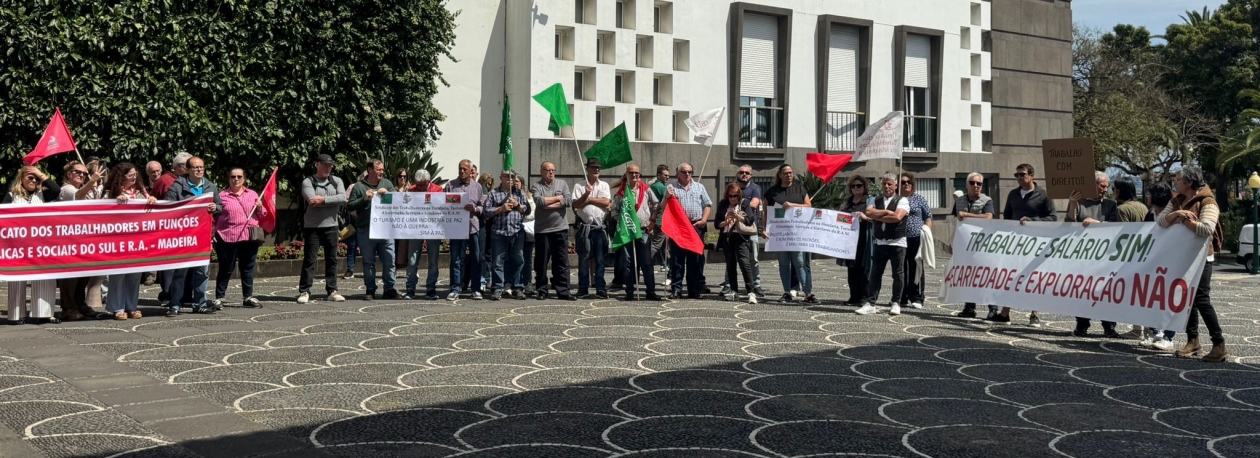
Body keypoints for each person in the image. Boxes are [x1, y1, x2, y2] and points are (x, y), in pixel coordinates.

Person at [1157, 166, 1226, 362]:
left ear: (1189, 182)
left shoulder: (1208, 201)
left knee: (1202, 300)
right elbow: (1161, 221)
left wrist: (1184, 221)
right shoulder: (1177, 200)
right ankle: (1192, 341)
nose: (1175, 182)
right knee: (1187, 301)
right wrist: (1178, 214)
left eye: (1178, 179)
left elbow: (1206, 229)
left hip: (1202, 258)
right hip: (1183, 257)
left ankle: (1219, 344)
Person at [992, 163, 1057, 326]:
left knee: (1033, 277)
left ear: (1032, 176)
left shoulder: (1043, 195)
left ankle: (1034, 314)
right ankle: (1005, 313)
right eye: (1017, 175)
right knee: (1011, 275)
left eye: (1022, 174)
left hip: (1036, 243)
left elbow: (1053, 218)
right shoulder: (1013, 194)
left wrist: (1032, 221)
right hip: (1015, 243)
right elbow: (1007, 216)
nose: (1019, 178)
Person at [3, 166, 63, 324]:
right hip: (18, 246)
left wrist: (40, 174)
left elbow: (57, 190)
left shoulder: (43, 194)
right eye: (30, 177)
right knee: (17, 279)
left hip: (41, 245)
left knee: (45, 278)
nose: (34, 181)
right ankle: (17, 314)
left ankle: (44, 313)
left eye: (36, 178)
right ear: (21, 179)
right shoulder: (11, 196)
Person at [100, 163, 158, 320]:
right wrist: (113, 203)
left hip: (137, 240)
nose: (134, 178)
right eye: (130, 175)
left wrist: (152, 199)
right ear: (121, 177)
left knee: (135, 274)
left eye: (135, 174)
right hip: (118, 240)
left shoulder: (141, 192)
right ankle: (117, 307)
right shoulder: (110, 193)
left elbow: (149, 205)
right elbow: (100, 211)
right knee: (118, 274)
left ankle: (131, 306)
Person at [1066, 171, 1120, 338]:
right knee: (1082, 291)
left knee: (1106, 291)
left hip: (1105, 256)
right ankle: (1082, 324)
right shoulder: (1079, 203)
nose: (1105, 189)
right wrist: (1073, 204)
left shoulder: (1111, 205)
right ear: (1093, 185)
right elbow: (1068, 225)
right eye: (1102, 186)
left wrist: (1097, 224)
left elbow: (1115, 226)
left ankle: (1109, 326)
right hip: (1083, 256)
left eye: (1107, 187)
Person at [166, 156, 222, 316]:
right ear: (188, 169)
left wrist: (215, 207)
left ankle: (200, 304)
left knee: (202, 273)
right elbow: (168, 208)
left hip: (203, 237)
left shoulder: (210, 186)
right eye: (196, 167)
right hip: (183, 237)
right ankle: (174, 305)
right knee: (180, 273)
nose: (199, 170)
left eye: (201, 167)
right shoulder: (176, 188)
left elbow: (221, 207)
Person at [55, 161, 105, 321]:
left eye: (84, 173)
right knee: (69, 276)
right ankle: (68, 308)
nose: (82, 175)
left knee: (83, 274)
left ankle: (79, 303)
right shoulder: (66, 189)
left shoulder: (85, 188)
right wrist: (91, 182)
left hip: (83, 237)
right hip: (68, 238)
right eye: (78, 172)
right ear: (69, 174)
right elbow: (78, 197)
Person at [297, 154, 348, 303]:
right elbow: (312, 201)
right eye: (324, 165)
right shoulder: (308, 181)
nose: (327, 168)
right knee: (310, 259)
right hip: (312, 226)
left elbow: (343, 198)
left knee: (332, 259)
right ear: (316, 165)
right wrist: (331, 200)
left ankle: (332, 290)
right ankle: (304, 291)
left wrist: (323, 199)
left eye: (330, 166)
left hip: (332, 226)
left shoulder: (337, 180)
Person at [856, 174, 911, 315]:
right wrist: (886, 212)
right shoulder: (875, 199)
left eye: (890, 184)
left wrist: (877, 215)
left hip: (897, 242)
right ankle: (871, 303)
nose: (887, 187)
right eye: (884, 184)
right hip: (880, 241)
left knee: (898, 274)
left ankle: (896, 302)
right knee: (875, 273)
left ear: (896, 186)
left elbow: (897, 217)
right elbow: (868, 212)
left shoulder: (902, 200)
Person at [212, 168, 266, 309]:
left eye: (239, 176)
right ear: (228, 179)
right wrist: (213, 235)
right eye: (233, 177)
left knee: (247, 268)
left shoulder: (253, 194)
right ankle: (219, 298)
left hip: (249, 237)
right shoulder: (221, 196)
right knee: (226, 268)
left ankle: (248, 296)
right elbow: (214, 216)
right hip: (227, 236)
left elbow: (263, 215)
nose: (236, 179)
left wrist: (260, 207)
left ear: (244, 178)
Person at [348, 159, 400, 300]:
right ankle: (370, 289)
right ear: (370, 170)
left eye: (382, 170)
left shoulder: (387, 184)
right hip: (366, 229)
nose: (382, 172)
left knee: (389, 260)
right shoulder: (359, 186)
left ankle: (389, 289)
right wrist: (364, 198)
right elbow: (350, 206)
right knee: (368, 261)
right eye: (379, 169)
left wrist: (388, 194)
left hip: (385, 229)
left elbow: (398, 200)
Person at [611, 164, 662, 302]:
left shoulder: (646, 190)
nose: (635, 175)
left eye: (637, 173)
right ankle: (629, 291)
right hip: (627, 232)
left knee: (646, 262)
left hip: (644, 230)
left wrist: (653, 221)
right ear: (626, 174)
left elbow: (657, 205)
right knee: (628, 263)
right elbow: (614, 212)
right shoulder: (621, 193)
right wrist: (622, 222)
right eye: (632, 173)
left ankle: (650, 291)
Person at [763, 164, 814, 304]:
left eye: (791, 172)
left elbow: (809, 206)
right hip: (779, 234)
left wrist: (793, 205)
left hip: (797, 234)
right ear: (780, 175)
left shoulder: (800, 189)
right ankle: (787, 291)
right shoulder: (772, 192)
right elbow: (766, 211)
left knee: (799, 262)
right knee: (784, 264)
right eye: (785, 173)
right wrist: (763, 228)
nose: (789, 175)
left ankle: (807, 293)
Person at [664, 163, 712, 299]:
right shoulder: (671, 188)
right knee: (677, 260)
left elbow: (708, 205)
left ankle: (694, 290)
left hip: (696, 225)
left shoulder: (699, 187)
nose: (687, 174)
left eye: (690, 172)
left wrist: (704, 220)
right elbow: (663, 206)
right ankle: (676, 289)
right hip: (679, 227)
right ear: (677, 173)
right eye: (684, 172)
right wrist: (667, 196)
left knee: (695, 260)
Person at [1139, 182, 1177, 351]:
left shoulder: (1175, 214)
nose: (1147, 197)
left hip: (1172, 263)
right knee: (1151, 298)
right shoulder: (1150, 214)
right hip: (1153, 262)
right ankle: (1156, 333)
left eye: (1149, 194)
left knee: (1171, 300)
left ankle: (1169, 336)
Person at [953, 173, 996, 318]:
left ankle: (993, 308)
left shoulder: (987, 200)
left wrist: (966, 215)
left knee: (985, 276)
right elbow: (957, 219)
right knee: (968, 276)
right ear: (966, 185)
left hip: (983, 244)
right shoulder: (959, 201)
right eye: (972, 183)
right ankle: (969, 308)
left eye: (979, 184)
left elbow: (989, 217)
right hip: (965, 244)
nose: (976, 186)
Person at [442, 160, 485, 300]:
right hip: (456, 228)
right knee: (456, 259)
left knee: (476, 259)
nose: (462, 171)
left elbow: (483, 206)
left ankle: (476, 289)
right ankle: (455, 288)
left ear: (471, 170)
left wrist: (475, 209)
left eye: (465, 169)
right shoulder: (450, 185)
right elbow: (443, 204)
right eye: (460, 168)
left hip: (473, 227)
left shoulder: (477, 187)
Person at [152, 152, 191, 307]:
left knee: (187, 264)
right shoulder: (164, 181)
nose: (192, 169)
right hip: (169, 230)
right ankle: (167, 294)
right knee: (169, 266)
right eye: (189, 166)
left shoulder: (192, 181)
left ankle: (185, 295)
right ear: (180, 167)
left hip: (187, 230)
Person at [532, 162, 575, 300]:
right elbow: (539, 202)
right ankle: (542, 289)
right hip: (542, 230)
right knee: (541, 262)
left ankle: (563, 290)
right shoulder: (536, 186)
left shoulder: (562, 184)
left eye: (553, 170)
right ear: (541, 171)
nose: (551, 172)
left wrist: (548, 203)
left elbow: (568, 200)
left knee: (561, 261)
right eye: (548, 170)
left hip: (560, 229)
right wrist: (558, 198)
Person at [486, 170, 532, 300]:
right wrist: (500, 209)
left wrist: (518, 205)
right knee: (497, 262)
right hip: (499, 232)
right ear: (501, 178)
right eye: (507, 177)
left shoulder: (519, 193)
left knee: (518, 261)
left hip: (517, 232)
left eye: (513, 177)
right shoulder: (494, 193)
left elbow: (527, 210)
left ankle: (517, 287)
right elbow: (486, 211)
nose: (510, 179)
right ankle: (497, 288)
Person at [573, 158, 612, 298]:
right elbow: (576, 204)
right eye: (593, 168)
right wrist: (585, 194)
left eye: (598, 168)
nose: (596, 170)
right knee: (583, 258)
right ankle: (583, 287)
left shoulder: (605, 185)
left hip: (600, 227)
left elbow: (606, 201)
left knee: (600, 259)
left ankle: (600, 287)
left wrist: (588, 199)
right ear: (587, 169)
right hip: (585, 227)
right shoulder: (579, 186)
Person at [403, 170, 445, 300]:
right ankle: (410, 289)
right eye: (418, 184)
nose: (419, 187)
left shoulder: (438, 190)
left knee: (433, 260)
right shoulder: (411, 190)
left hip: (433, 228)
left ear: (429, 181)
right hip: (416, 228)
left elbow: (442, 207)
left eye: (422, 185)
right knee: (412, 259)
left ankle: (431, 289)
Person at [716, 182, 759, 304]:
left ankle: (751, 291)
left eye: (735, 196)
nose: (732, 198)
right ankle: (734, 290)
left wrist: (738, 217)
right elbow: (716, 223)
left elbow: (750, 220)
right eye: (730, 196)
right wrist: (725, 222)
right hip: (727, 237)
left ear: (739, 195)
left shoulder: (744, 203)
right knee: (730, 264)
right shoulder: (723, 204)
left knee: (744, 263)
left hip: (740, 237)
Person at [839, 175, 874, 307]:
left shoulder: (870, 201)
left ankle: (864, 297)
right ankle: (854, 296)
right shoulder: (847, 202)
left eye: (859, 185)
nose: (856, 188)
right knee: (852, 268)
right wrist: (841, 213)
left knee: (865, 268)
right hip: (849, 240)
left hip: (864, 238)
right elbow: (840, 219)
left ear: (864, 187)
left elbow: (875, 218)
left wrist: (865, 217)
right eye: (853, 186)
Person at [898, 172, 932, 310]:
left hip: (916, 238)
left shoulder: (919, 199)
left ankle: (917, 297)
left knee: (916, 267)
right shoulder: (896, 200)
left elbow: (928, 217)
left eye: (909, 182)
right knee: (900, 269)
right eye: (903, 182)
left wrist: (926, 232)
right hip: (899, 238)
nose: (906, 184)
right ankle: (901, 296)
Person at [733, 164, 765, 297]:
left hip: (750, 228)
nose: (744, 174)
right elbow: (727, 203)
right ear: (737, 175)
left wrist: (739, 204)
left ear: (751, 175)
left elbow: (754, 204)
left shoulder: (755, 188)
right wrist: (746, 204)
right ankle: (729, 284)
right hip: (734, 228)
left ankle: (756, 284)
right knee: (732, 259)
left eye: (747, 173)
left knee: (754, 259)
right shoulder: (732, 187)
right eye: (741, 172)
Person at [517, 176, 538, 297]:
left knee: (528, 258)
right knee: (516, 257)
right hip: (516, 229)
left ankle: (527, 281)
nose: (515, 184)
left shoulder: (529, 196)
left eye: (518, 182)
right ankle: (516, 281)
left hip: (528, 229)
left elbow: (532, 213)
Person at [649, 164, 671, 276]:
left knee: (661, 244)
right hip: (660, 220)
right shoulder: (661, 188)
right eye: (665, 175)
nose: (667, 177)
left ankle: (664, 264)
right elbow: (672, 200)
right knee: (656, 245)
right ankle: (645, 263)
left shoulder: (654, 186)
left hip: (656, 219)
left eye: (668, 175)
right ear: (658, 175)